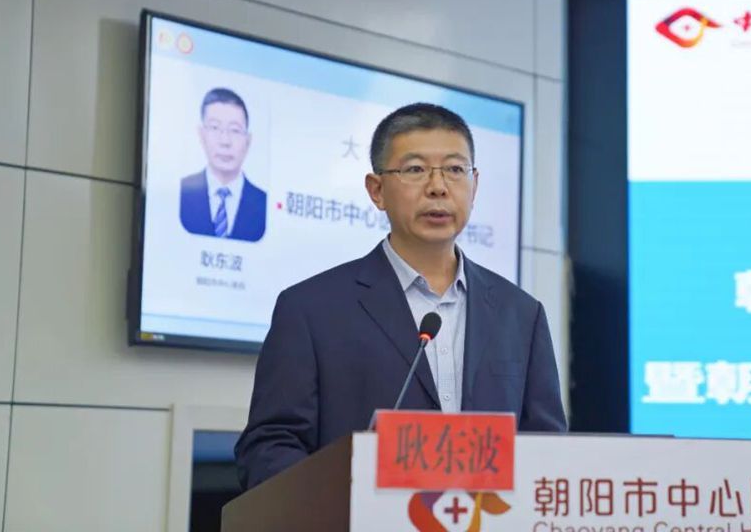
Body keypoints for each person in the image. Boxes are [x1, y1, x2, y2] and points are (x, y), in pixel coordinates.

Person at [235, 103, 566, 489]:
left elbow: (548, 449)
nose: (438, 187)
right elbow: (270, 447)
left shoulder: (521, 315)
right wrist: (342, 502)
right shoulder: (310, 310)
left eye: (455, 170)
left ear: (474, 185)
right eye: (415, 170)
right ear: (377, 190)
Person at [180, 87, 267, 242]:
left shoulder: (264, 203)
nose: (225, 141)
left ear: (248, 140)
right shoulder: (181, 192)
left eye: (235, 130)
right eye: (215, 128)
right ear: (201, 135)